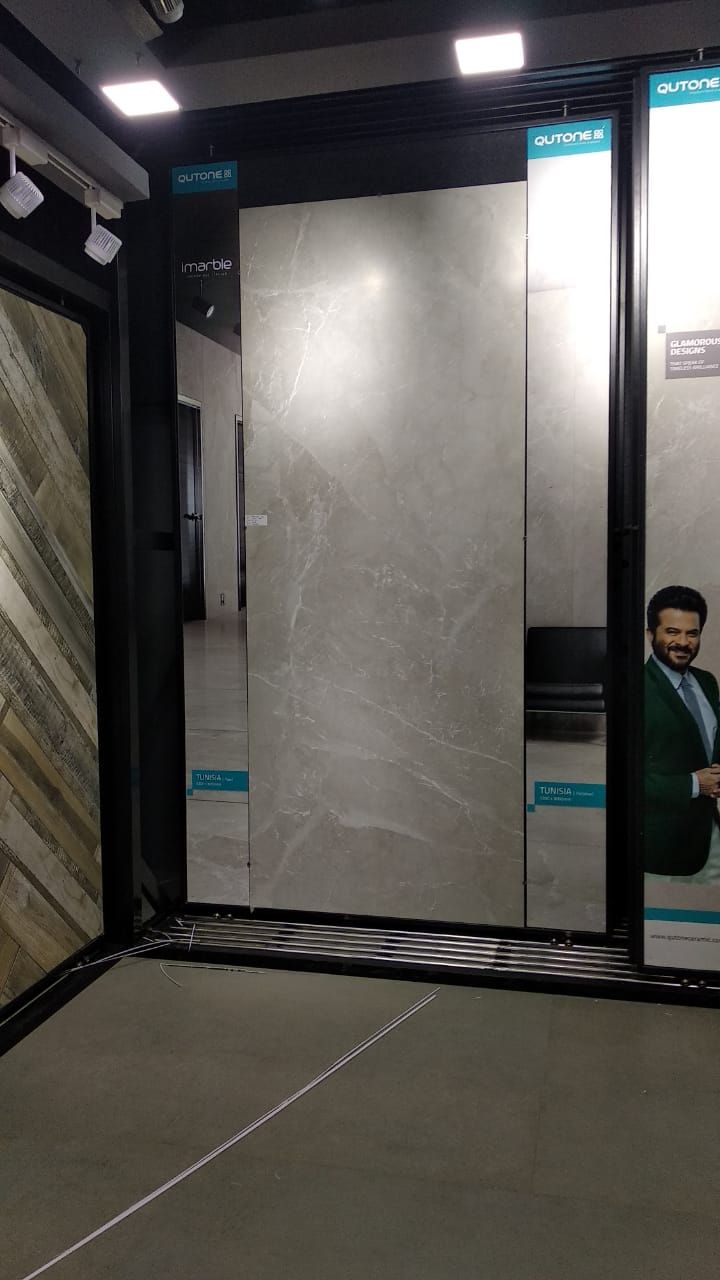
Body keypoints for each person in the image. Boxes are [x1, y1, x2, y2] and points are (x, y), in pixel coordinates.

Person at [645, 584, 720, 880]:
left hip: (710, 837)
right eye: (672, 632)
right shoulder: (635, 688)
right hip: (664, 853)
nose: (683, 642)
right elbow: (622, 780)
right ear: (650, 634)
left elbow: (707, 746)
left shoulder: (707, 681)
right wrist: (694, 784)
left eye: (692, 633)